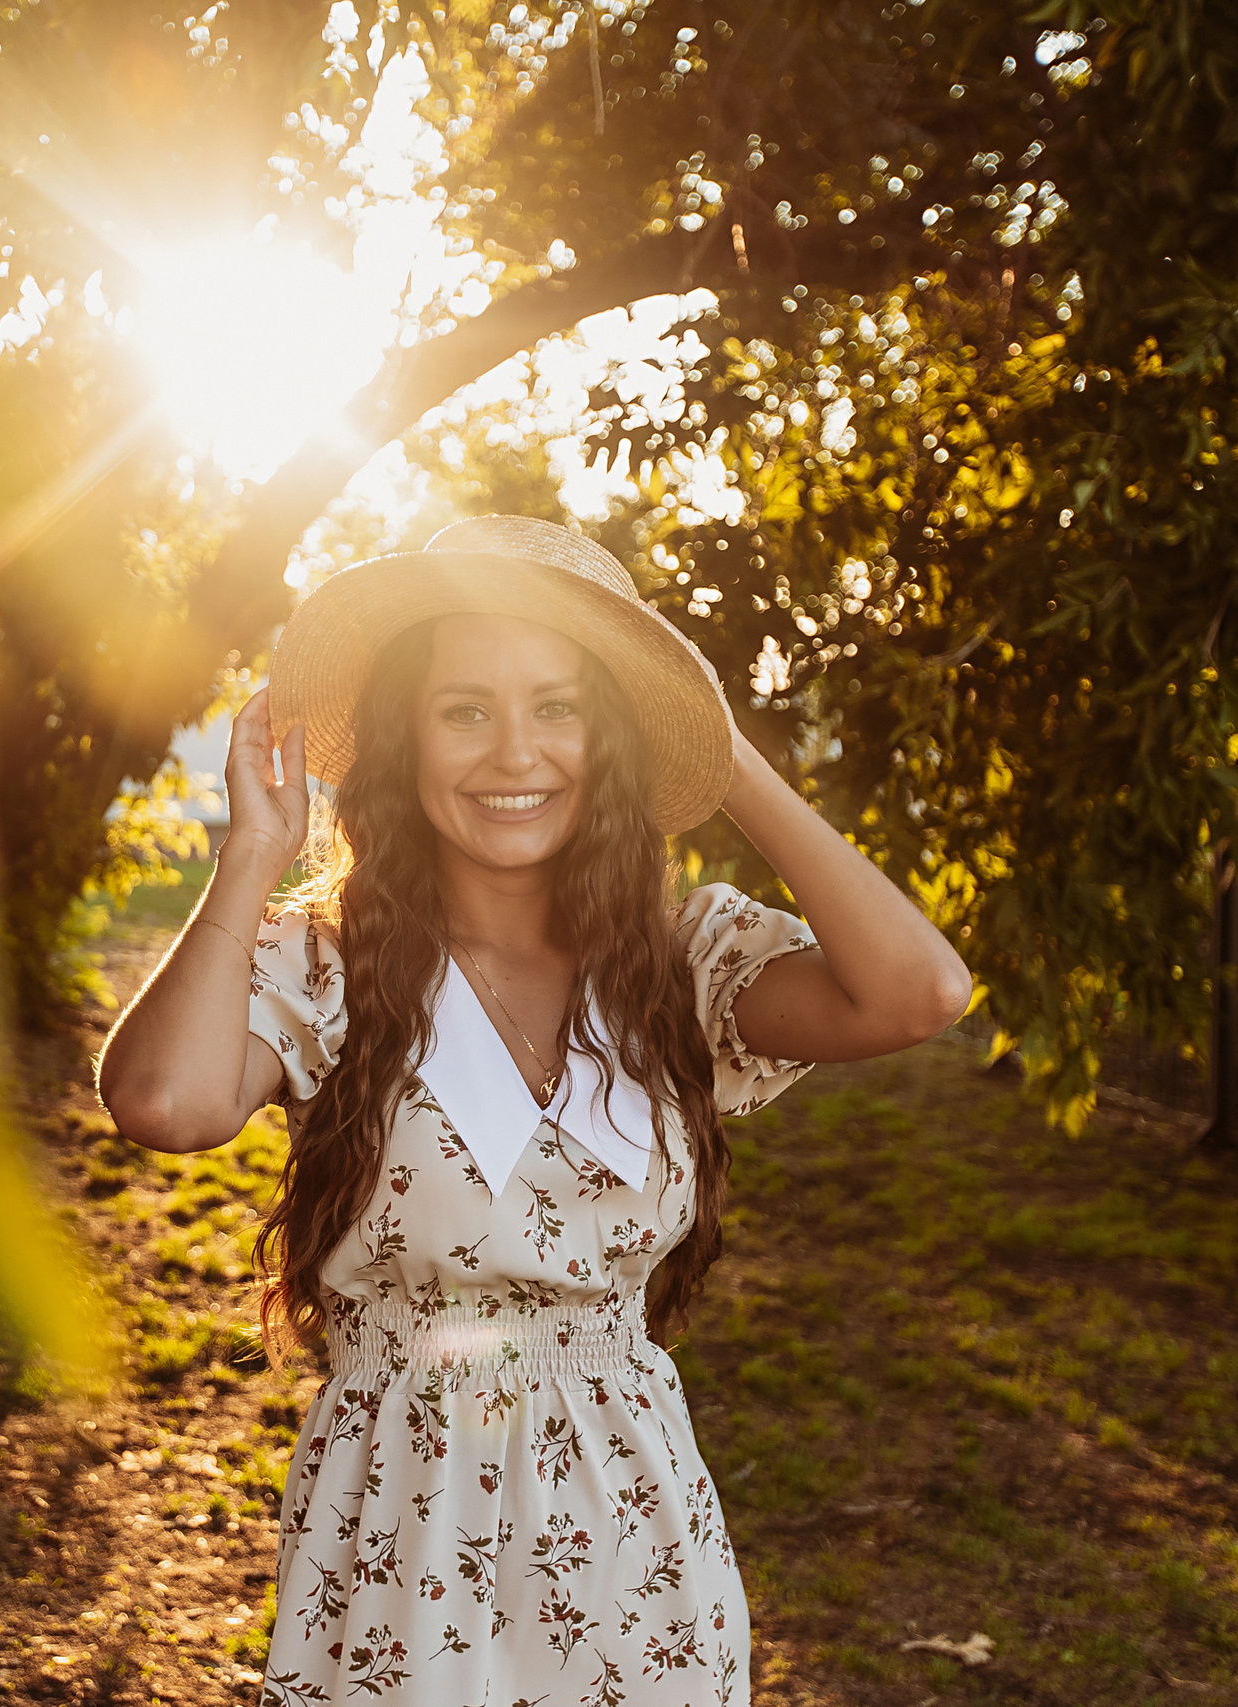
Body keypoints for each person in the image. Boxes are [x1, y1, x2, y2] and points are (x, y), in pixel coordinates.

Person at [97, 516, 971, 1706]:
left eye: (558, 707)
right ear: (405, 738)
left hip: (634, 1544)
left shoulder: (680, 958)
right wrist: (250, 857)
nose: (516, 753)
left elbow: (919, 993)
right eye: (465, 710)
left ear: (606, 737)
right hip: (403, 1529)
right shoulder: (330, 964)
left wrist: (722, 755)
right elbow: (162, 1103)